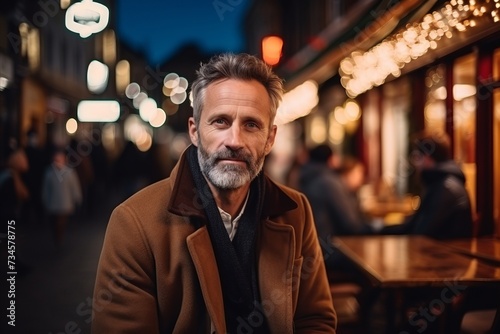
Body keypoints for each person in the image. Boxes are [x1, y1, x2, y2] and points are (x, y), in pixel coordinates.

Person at [92, 53, 337, 333]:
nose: (234, 141)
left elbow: (314, 320)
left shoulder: (295, 210)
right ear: (195, 132)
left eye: (251, 124)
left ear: (270, 138)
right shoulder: (134, 222)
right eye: (220, 121)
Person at [381, 130, 473, 239]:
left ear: (427, 158)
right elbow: (415, 226)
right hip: (438, 252)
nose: (415, 163)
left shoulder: (445, 188)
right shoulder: (441, 183)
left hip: (443, 253)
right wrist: (382, 230)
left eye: (416, 157)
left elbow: (421, 233)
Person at [41, 149, 82, 248]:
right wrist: (45, 200)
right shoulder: (49, 173)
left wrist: (77, 198)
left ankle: (59, 239)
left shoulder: (69, 172)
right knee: (54, 223)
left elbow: (74, 187)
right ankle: (57, 239)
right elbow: (46, 189)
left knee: (61, 223)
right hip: (53, 204)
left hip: (65, 204)